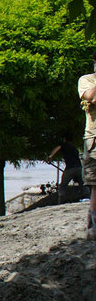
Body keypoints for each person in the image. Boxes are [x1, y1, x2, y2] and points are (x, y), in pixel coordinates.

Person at [78, 51, 96, 240]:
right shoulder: (86, 80)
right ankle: (93, 227)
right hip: (94, 140)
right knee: (95, 185)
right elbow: (91, 96)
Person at [48, 136, 84, 203]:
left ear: (64, 139)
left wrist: (50, 156)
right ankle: (85, 197)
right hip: (79, 167)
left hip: (70, 168)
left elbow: (57, 148)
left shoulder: (64, 145)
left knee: (63, 185)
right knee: (82, 183)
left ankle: (61, 199)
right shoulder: (74, 147)